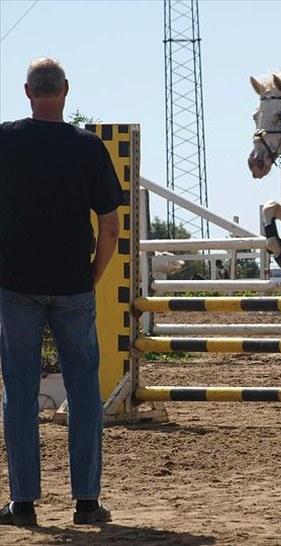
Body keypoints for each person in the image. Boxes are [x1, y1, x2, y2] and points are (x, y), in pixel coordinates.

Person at [0, 58, 124, 526]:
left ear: (27, 91)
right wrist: (93, 273)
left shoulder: (5, 140)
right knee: (84, 390)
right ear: (65, 91)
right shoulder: (88, 148)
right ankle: (87, 501)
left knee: (19, 390)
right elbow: (110, 227)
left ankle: (23, 502)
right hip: (72, 284)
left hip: (16, 286)